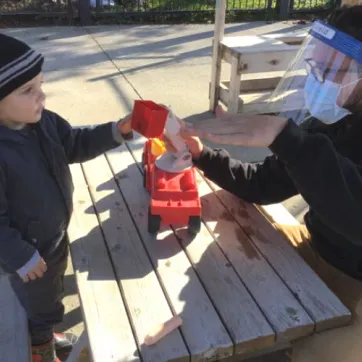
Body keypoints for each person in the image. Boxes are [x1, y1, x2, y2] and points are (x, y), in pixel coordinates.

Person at [178, 4, 362, 327]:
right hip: (315, 246)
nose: (317, 79)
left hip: (355, 285)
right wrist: (203, 154)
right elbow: (265, 182)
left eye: (331, 70)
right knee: (217, 279)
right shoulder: (335, 121)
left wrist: (289, 140)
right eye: (315, 65)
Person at [0, 34, 134, 362]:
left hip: (54, 236)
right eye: (27, 90)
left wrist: (117, 130)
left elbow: (73, 142)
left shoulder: (44, 121)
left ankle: (45, 331)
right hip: (27, 253)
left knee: (52, 292)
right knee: (39, 302)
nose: (41, 96)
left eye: (41, 84)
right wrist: (20, 255)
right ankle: (40, 349)